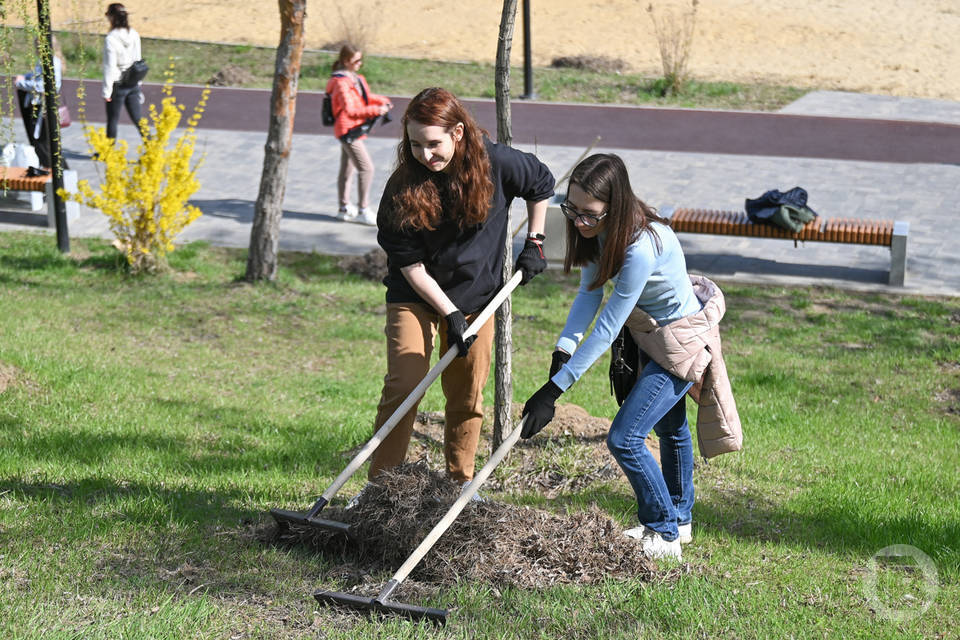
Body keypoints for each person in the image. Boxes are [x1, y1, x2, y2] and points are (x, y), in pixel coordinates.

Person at [519, 153, 741, 560]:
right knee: (670, 427)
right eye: (573, 210)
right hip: (650, 336)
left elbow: (607, 326)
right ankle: (680, 519)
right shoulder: (598, 234)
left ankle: (665, 531)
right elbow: (589, 293)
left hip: (680, 341)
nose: (579, 222)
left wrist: (554, 390)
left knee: (625, 437)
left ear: (615, 205)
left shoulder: (642, 247)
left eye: (590, 214)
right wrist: (563, 349)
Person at [368, 87, 555, 489]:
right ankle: (380, 490)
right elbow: (410, 266)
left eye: (433, 144)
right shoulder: (402, 188)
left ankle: (459, 488)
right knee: (404, 385)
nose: (424, 155)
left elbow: (541, 182)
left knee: (467, 395)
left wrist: (536, 241)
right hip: (415, 296)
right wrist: (447, 311)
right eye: (415, 144)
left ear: (457, 132)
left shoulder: (496, 163)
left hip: (476, 297)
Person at [326, 44, 392, 226]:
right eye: (357, 60)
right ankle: (363, 209)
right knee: (367, 168)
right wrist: (376, 110)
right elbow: (350, 110)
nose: (360, 64)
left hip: (354, 129)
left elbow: (366, 97)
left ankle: (343, 208)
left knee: (347, 169)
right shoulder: (340, 82)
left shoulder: (356, 78)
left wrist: (383, 101)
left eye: (361, 60)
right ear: (346, 61)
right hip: (347, 130)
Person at [13, 36, 67, 170]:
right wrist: (26, 76)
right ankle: (54, 171)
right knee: (43, 143)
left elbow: (44, 86)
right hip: (39, 104)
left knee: (43, 143)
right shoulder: (45, 60)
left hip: (43, 107)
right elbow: (37, 75)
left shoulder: (51, 62)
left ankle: (58, 173)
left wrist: (21, 83)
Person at [102, 3, 143, 140]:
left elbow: (110, 67)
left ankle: (109, 151)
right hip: (132, 81)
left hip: (117, 83)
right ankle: (152, 147)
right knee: (138, 119)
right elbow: (138, 60)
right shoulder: (134, 34)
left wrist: (107, 92)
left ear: (112, 17)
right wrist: (138, 82)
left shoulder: (111, 39)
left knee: (113, 119)